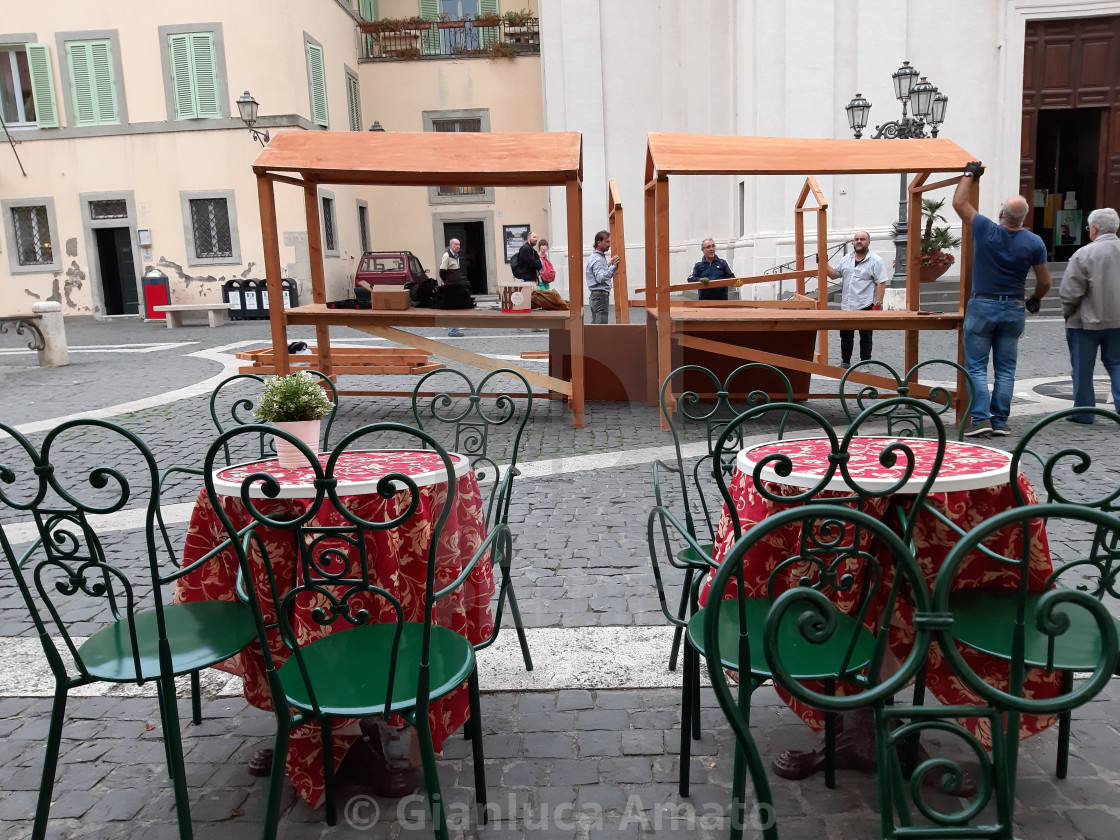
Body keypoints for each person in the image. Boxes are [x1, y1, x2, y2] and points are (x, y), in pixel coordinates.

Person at [952, 161, 1051, 436]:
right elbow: (1045, 281)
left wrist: (969, 174)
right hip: (1014, 306)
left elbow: (959, 203)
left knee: (976, 365)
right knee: (1006, 368)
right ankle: (1000, 421)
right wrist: (1034, 299)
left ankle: (980, 419)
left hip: (983, 304)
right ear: (1023, 220)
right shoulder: (1034, 242)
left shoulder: (986, 229)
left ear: (1000, 214)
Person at [1059, 207, 1120, 423]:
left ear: (1093, 229)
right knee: (1117, 363)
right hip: (1118, 321)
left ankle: (1084, 412)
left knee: (1083, 369)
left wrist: (1068, 314)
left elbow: (1070, 292)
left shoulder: (1084, 253)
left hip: (1085, 322)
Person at [826, 230, 887, 368]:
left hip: (865, 304)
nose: (859, 241)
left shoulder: (876, 260)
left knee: (865, 336)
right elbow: (834, 275)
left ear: (868, 242)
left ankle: (865, 362)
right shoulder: (846, 259)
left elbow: (881, 282)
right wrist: (823, 263)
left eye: (862, 239)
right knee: (845, 336)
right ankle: (845, 362)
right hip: (847, 305)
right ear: (854, 242)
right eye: (856, 239)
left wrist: (877, 304)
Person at [585, 229, 619, 324]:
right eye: (607, 242)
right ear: (599, 243)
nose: (609, 244)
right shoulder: (598, 259)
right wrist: (613, 267)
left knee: (596, 326)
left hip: (596, 296)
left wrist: (609, 263)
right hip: (600, 296)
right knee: (601, 328)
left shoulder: (596, 257)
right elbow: (600, 278)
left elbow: (600, 269)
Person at [439, 238, 465, 337]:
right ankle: (453, 331)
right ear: (451, 246)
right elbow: (442, 271)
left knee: (454, 308)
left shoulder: (456, 256)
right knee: (452, 309)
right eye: (455, 244)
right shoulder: (447, 256)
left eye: (459, 244)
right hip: (450, 286)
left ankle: (453, 329)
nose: (458, 246)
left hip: (456, 286)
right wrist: (447, 281)